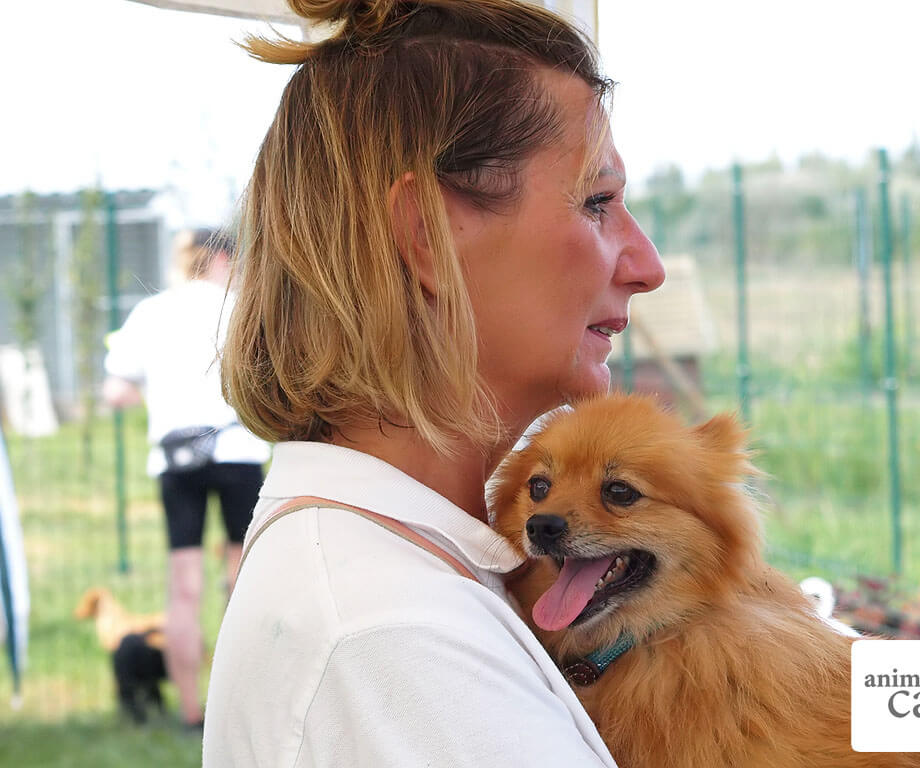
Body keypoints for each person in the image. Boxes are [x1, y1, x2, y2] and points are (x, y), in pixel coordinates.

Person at [203, 0, 665, 765]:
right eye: (596, 202)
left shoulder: (405, 575)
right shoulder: (389, 636)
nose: (647, 265)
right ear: (427, 234)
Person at [103, 227, 270, 729]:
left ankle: (190, 710)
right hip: (237, 450)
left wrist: (159, 398)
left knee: (184, 586)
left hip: (176, 458)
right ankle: (241, 706)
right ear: (221, 258)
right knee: (241, 579)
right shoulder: (241, 307)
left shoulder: (151, 311)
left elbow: (116, 392)